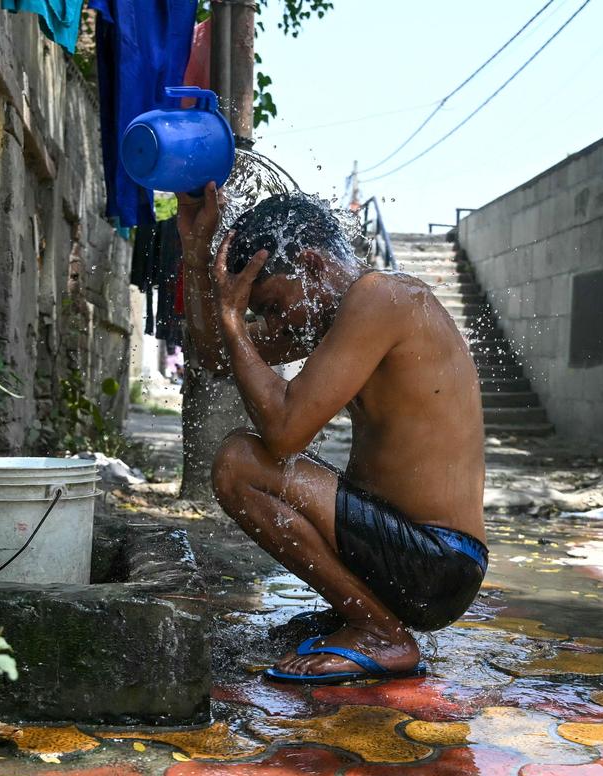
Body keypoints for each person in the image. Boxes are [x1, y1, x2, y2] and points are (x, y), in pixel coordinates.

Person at [177, 185, 487, 684]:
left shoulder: (382, 296)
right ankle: (366, 614)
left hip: (439, 565)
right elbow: (213, 352)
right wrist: (196, 260)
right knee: (242, 456)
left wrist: (234, 320)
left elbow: (282, 434)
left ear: (312, 265)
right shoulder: (331, 313)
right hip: (402, 557)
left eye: (274, 306)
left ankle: (380, 631)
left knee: (239, 461)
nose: (275, 323)